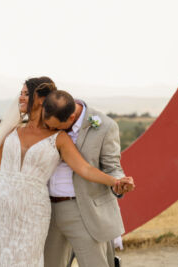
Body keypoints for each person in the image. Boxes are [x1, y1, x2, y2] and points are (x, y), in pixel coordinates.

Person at [0, 77, 134, 267]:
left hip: (36, 211)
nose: (20, 98)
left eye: (26, 94)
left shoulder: (60, 137)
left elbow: (85, 168)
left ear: (40, 100)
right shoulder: (12, 131)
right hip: (0, 208)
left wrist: (115, 182)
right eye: (21, 93)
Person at [42, 90, 134, 267]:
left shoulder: (105, 126)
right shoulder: (48, 119)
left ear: (71, 118)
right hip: (47, 211)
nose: (52, 131)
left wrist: (119, 182)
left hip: (84, 211)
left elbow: (112, 166)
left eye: (56, 128)